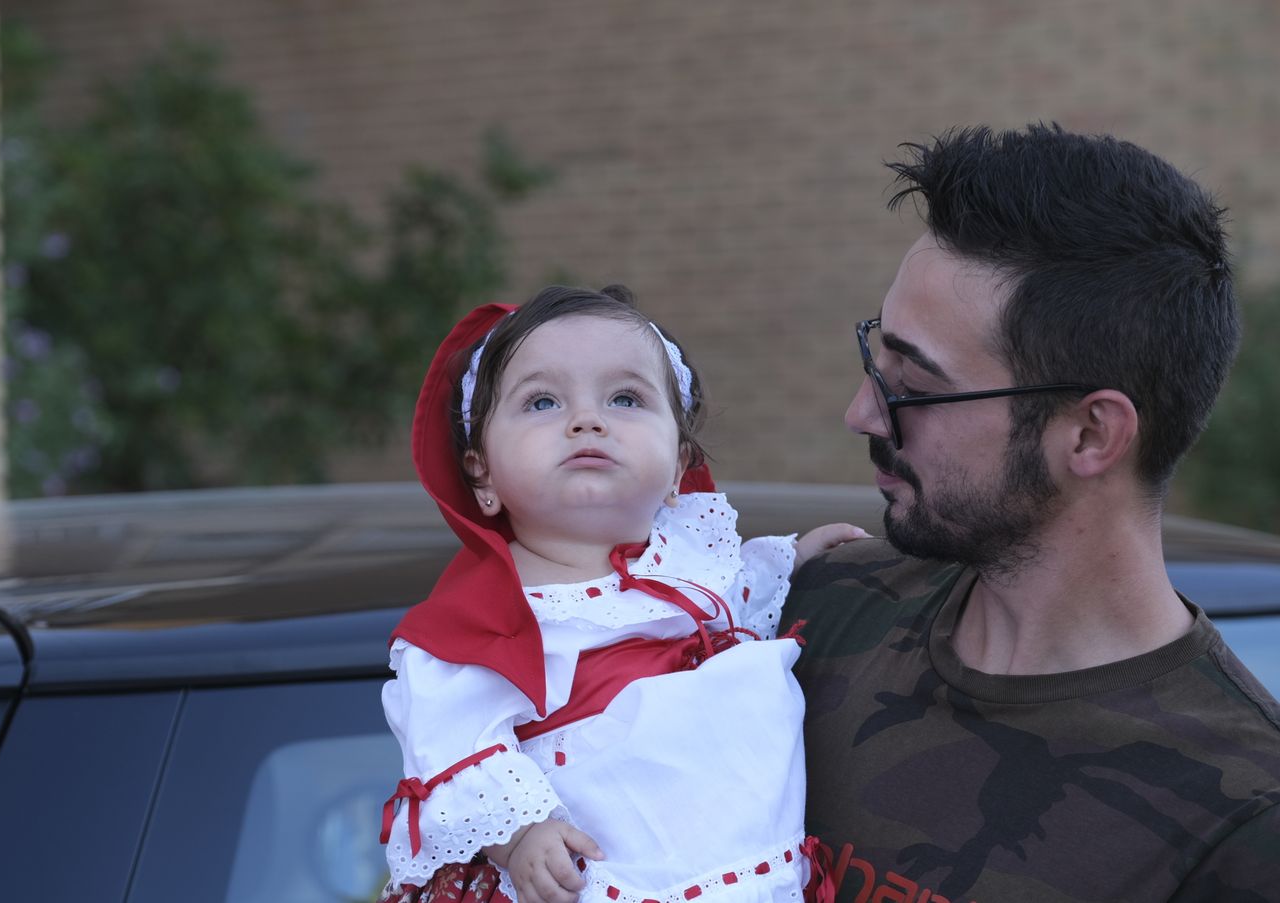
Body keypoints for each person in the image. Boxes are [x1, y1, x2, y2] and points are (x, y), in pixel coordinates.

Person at [783, 124, 1280, 902]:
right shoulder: (813, 616)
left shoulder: (1243, 820)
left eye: (915, 386)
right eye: (875, 356)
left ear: (1090, 434)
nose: (864, 414)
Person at [379, 285, 864, 903]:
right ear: (482, 473)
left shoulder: (697, 568)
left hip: (742, 868)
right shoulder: (480, 625)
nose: (588, 419)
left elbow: (736, 597)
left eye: (626, 398)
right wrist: (521, 834)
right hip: (605, 879)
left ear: (677, 461)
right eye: (543, 401)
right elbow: (453, 743)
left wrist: (796, 560)